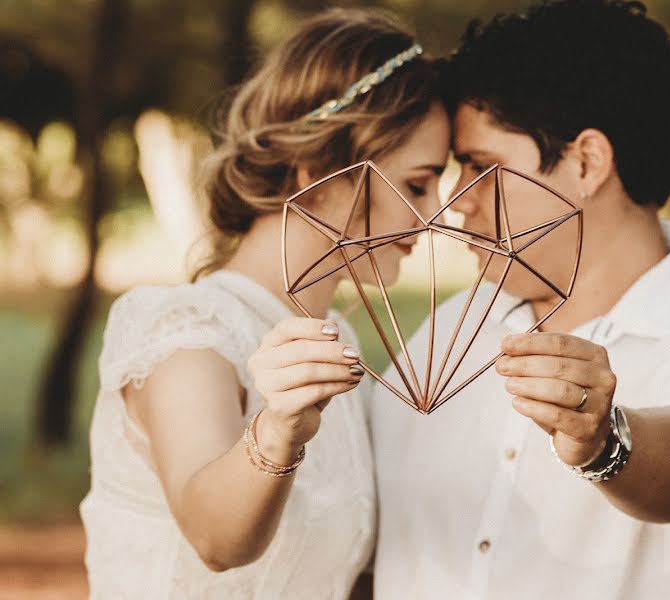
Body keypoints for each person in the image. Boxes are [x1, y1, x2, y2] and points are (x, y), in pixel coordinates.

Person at [367, 1, 670, 598]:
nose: (457, 203)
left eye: (481, 168)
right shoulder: (436, 338)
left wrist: (607, 441)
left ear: (587, 162)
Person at [79, 9, 450, 598]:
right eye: (416, 185)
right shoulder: (186, 335)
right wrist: (278, 430)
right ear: (322, 168)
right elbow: (217, 539)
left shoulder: (340, 345)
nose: (435, 216)